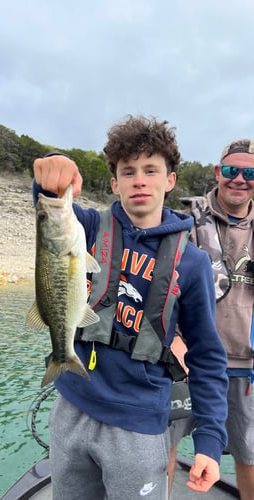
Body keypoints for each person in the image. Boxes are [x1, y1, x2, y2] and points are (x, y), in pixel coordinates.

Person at [32, 115, 228, 499]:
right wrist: (52, 170)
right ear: (114, 183)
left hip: (139, 421)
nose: (139, 180)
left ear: (169, 180)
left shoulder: (192, 263)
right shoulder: (84, 228)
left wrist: (208, 441)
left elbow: (207, 355)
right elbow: (49, 204)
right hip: (71, 405)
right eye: (128, 171)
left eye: (151, 170)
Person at [168, 138, 254, 500]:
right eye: (231, 170)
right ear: (218, 172)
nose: (239, 179)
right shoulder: (183, 221)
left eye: (249, 172)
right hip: (187, 362)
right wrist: (174, 342)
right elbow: (160, 285)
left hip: (245, 367)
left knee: (249, 457)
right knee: (162, 450)